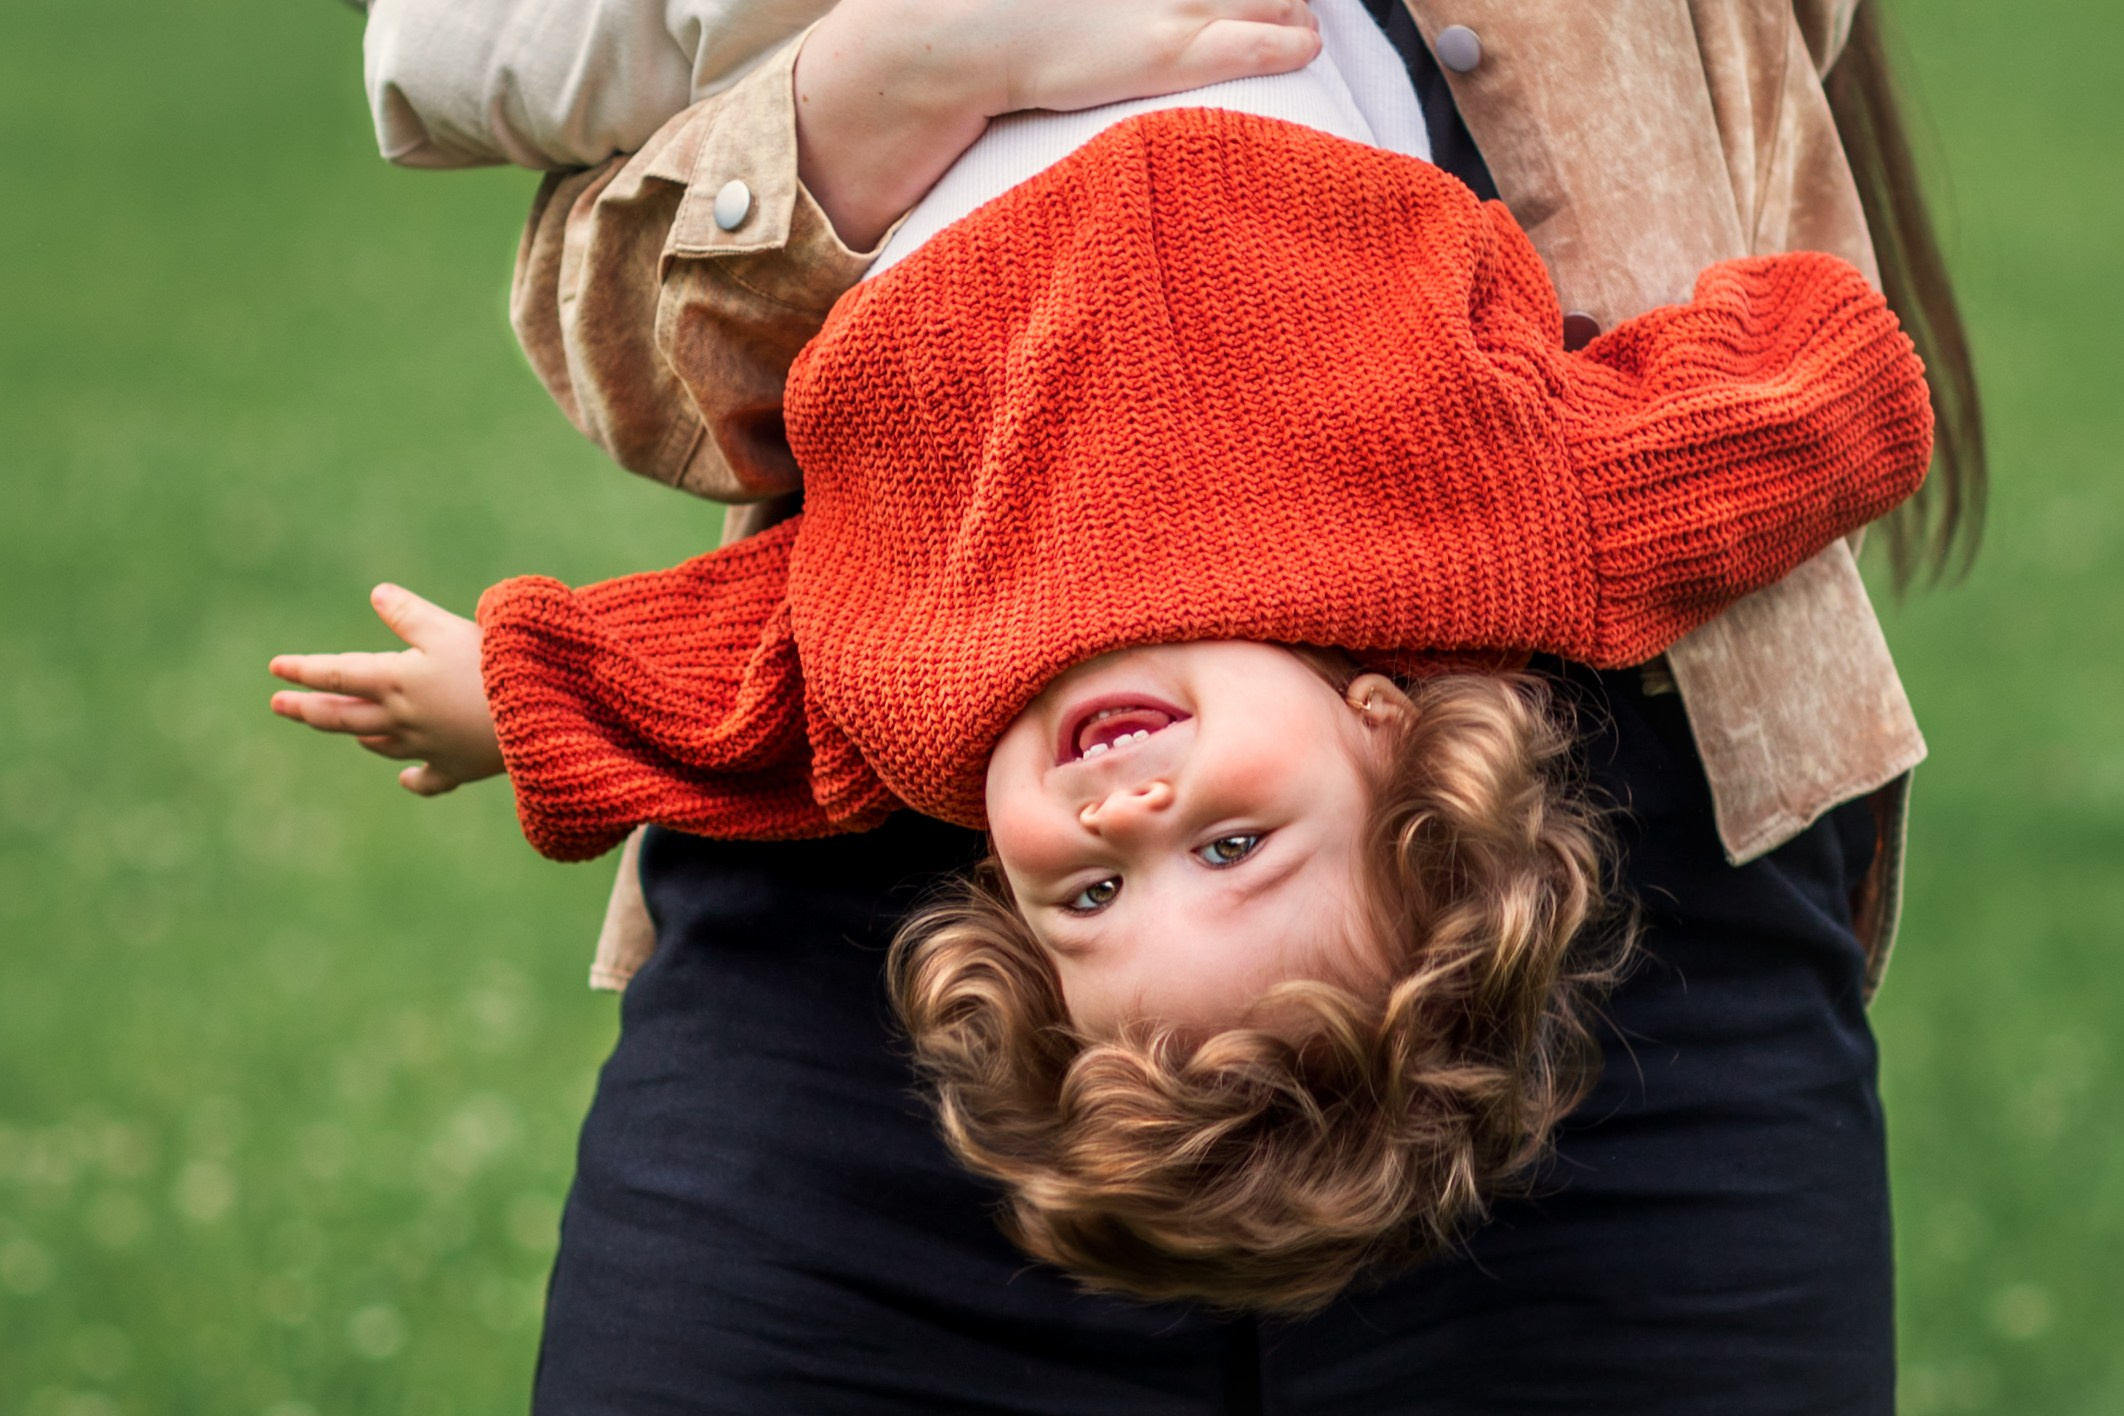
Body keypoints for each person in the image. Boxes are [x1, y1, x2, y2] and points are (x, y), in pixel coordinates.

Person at [322, 0, 1982, 1407]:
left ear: (1019, 931)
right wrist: (1804, 355)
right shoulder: (1484, 527)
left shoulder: (934, 674)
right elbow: (1800, 400)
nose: (1129, 816)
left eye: (1095, 890)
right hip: (1536, 869)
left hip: (1612, 935)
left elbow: (761, 661)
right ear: (1395, 727)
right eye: (1229, 844)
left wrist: (511, 697)